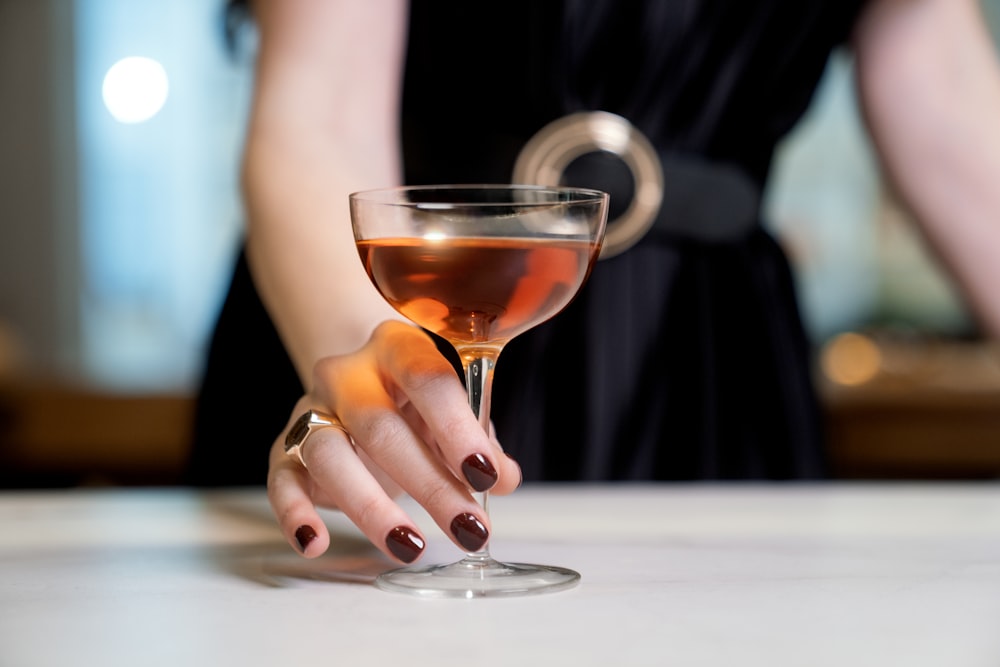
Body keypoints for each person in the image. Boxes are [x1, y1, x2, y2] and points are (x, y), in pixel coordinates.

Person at [187, 0, 1000, 565]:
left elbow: (948, 100)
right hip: (402, 295)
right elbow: (321, 110)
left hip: (705, 358)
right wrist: (368, 364)